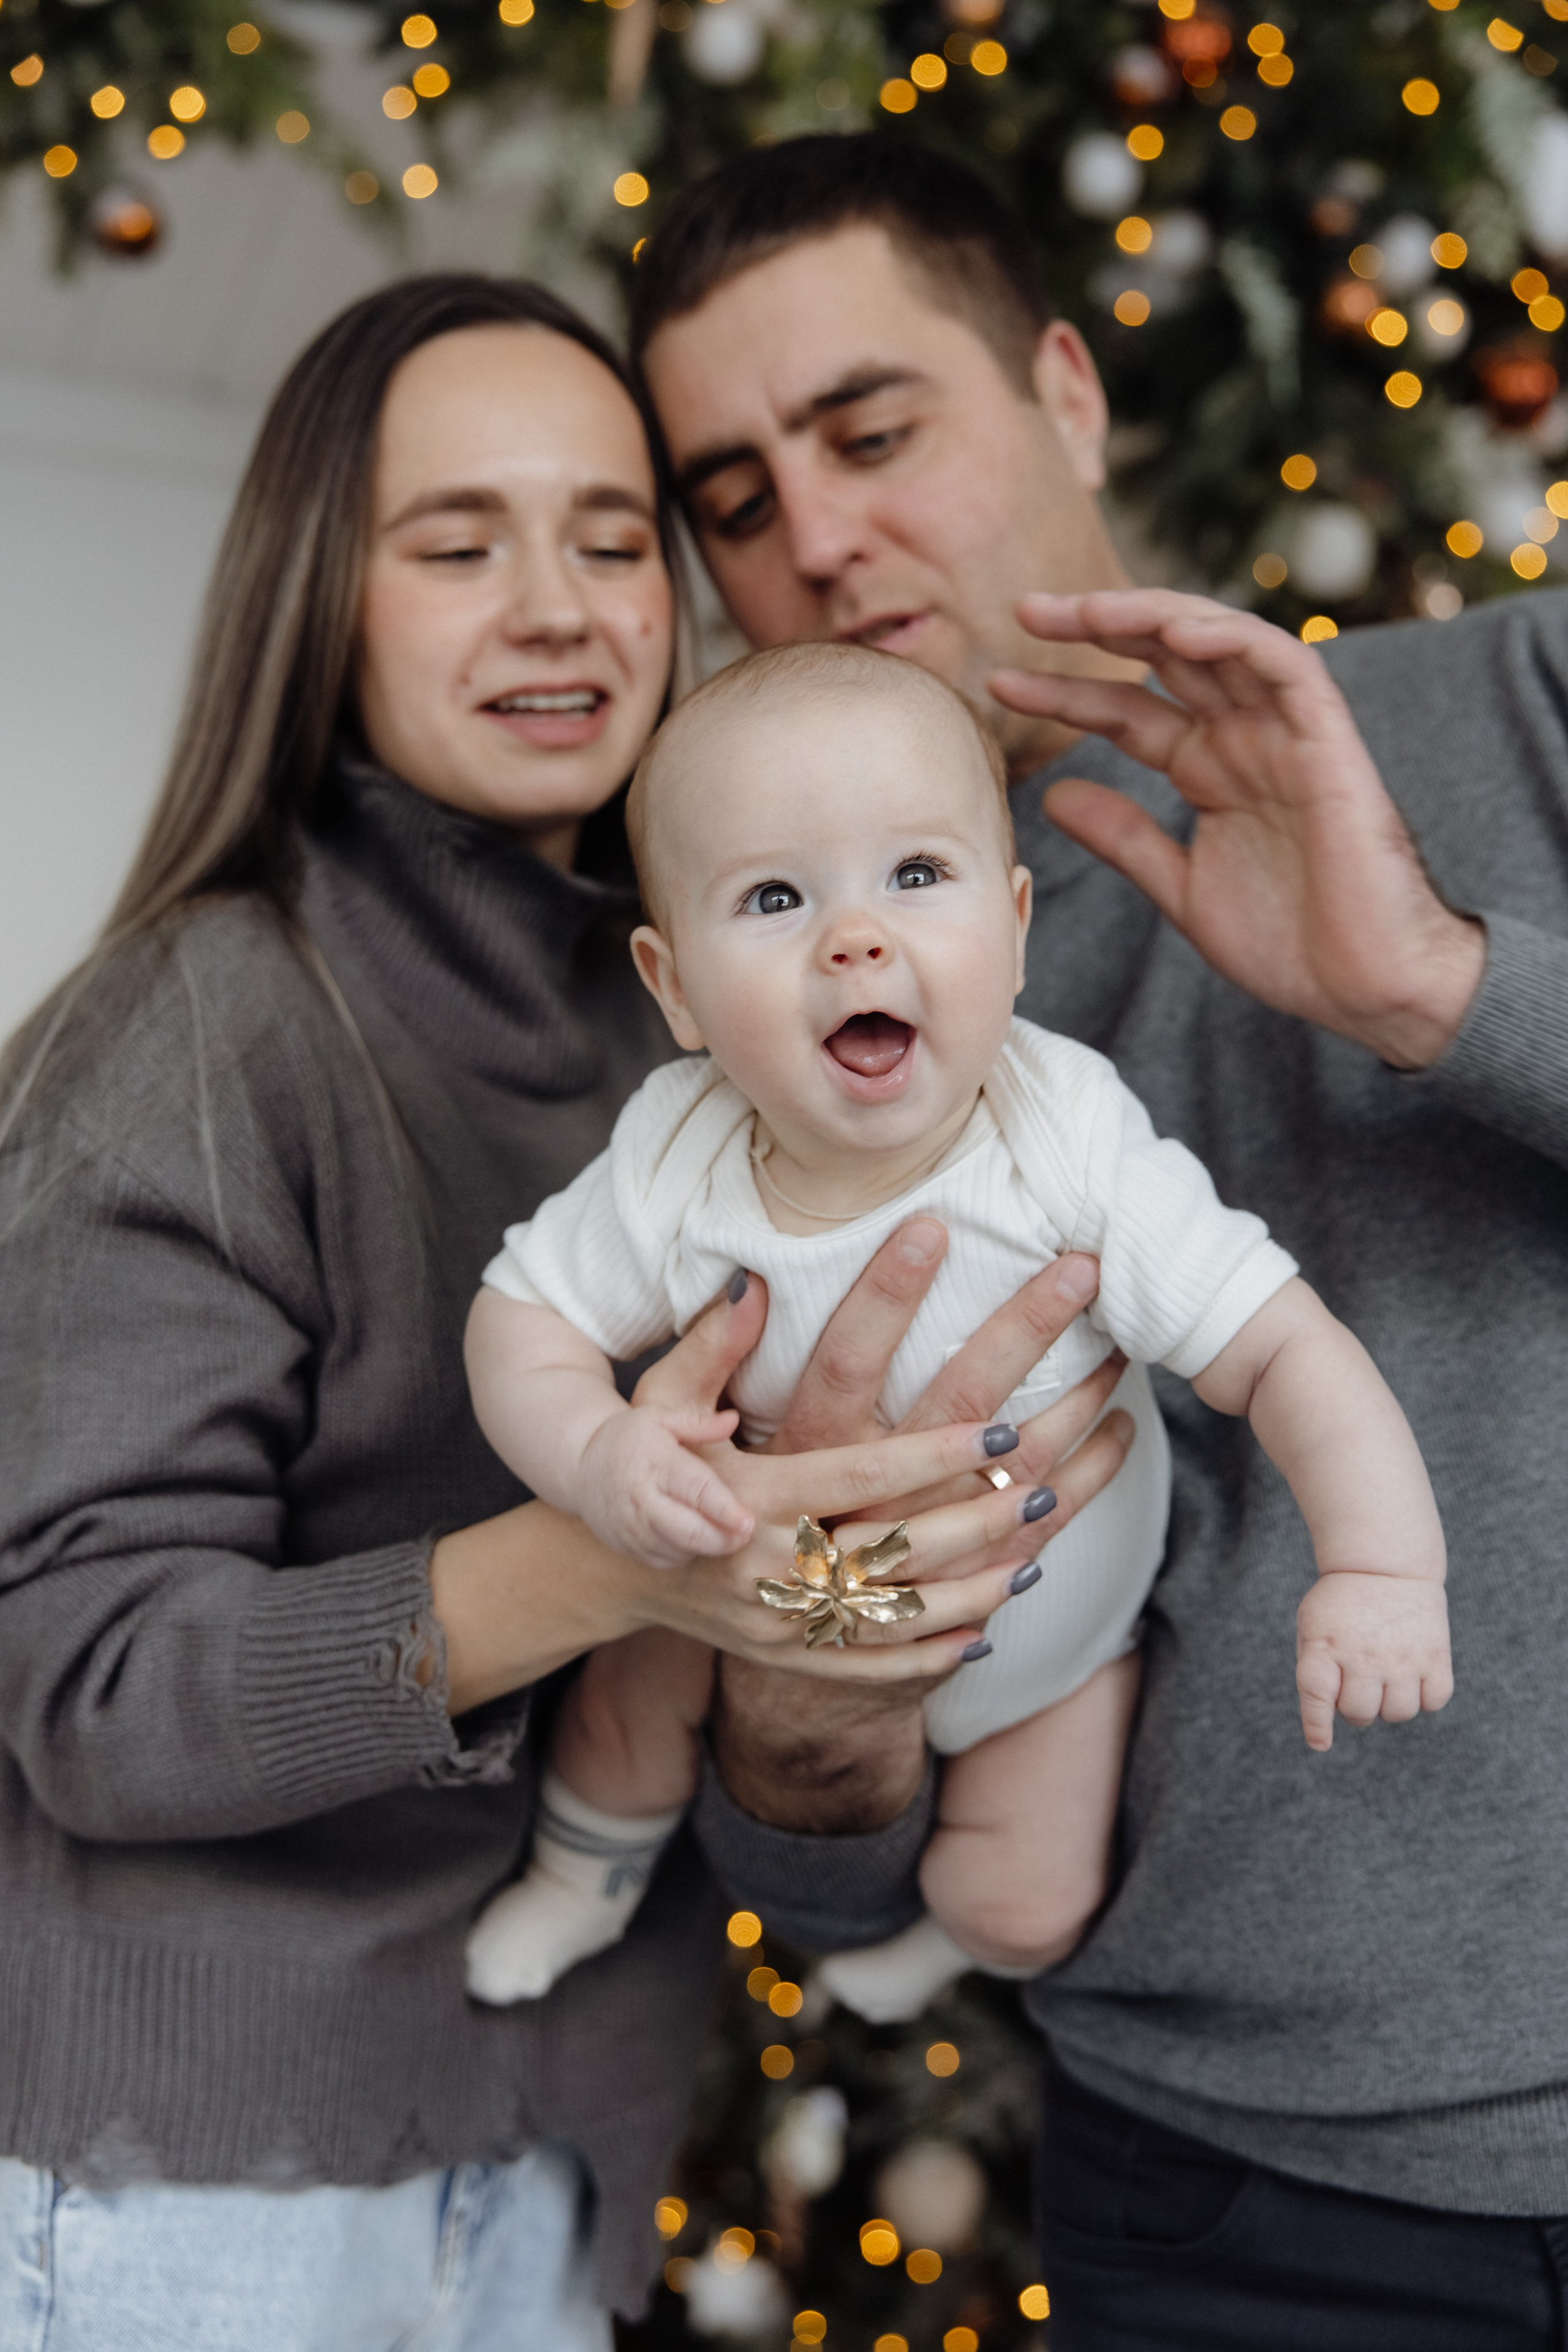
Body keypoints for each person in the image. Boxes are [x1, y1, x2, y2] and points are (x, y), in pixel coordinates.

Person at [0, 271, 1118, 2351]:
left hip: (546, 2150)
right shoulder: (195, 1032)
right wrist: (610, 1561)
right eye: (459, 544)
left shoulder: (725, 1030)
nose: (563, 607)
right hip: (194, 2182)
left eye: (615, 541)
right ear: (317, 597)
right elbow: (90, 1691)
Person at [630, 135, 1568, 2344]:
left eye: (872, 431)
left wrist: (1433, 980)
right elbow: (797, 1846)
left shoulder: (1517, 715)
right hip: (1236, 2217)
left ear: (1066, 390)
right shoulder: (755, 1076)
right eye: (740, 500)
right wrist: (812, 1675)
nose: (821, 535)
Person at [459, 639, 1448, 2023]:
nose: (854, 938)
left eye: (916, 876)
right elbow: (521, 1317)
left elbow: (1283, 1347)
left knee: (1022, 1900)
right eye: (772, 896)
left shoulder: (1068, 1140)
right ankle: (582, 1879)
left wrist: (1381, 1568)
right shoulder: (673, 1158)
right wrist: (594, 1460)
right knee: (620, 1725)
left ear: (1018, 922)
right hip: (748, 1597)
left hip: (1053, 1641)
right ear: (672, 985)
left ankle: (950, 1949)